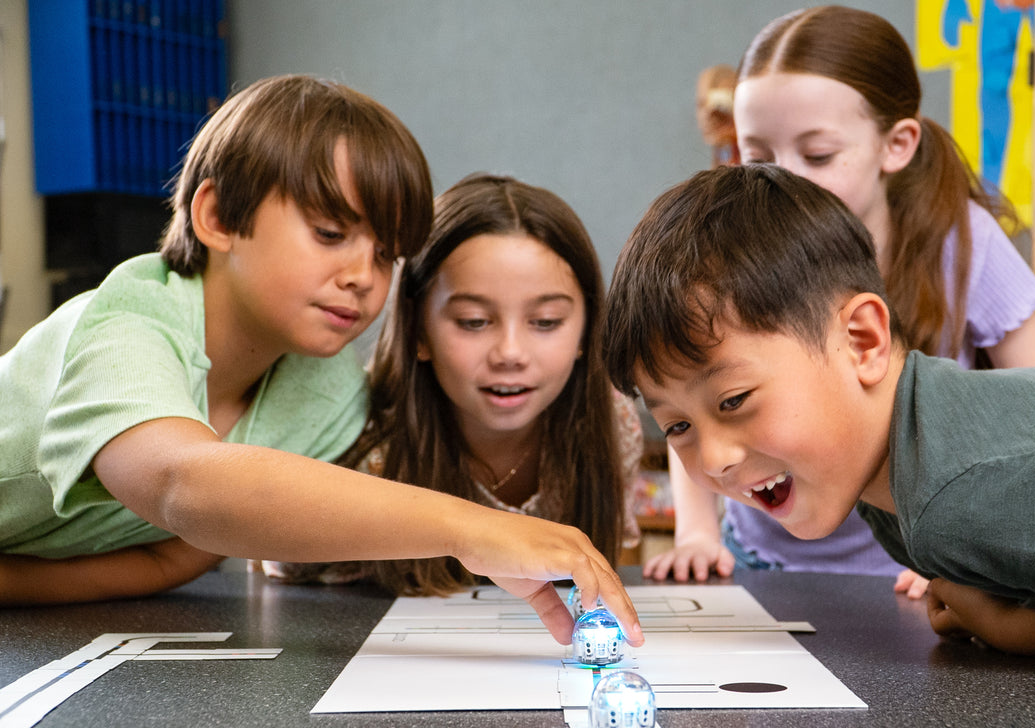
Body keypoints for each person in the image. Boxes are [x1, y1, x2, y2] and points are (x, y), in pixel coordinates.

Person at [0, 75, 643, 648]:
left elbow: (173, 560)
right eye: (330, 234)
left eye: (387, 253)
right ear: (219, 216)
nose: (363, 276)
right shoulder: (128, 323)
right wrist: (470, 527)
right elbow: (181, 483)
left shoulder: (328, 392)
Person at [601, 163, 1035, 679]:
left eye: (733, 400)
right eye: (677, 427)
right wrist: (1020, 622)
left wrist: (1010, 625)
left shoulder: (955, 492)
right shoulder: (890, 487)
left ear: (863, 341)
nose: (713, 459)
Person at [648, 5, 1035, 595]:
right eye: (759, 157)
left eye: (816, 155)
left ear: (896, 145)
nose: (784, 180)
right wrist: (696, 535)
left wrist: (964, 549)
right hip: (763, 562)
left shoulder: (960, 243)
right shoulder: (733, 252)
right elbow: (691, 405)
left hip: (911, 573)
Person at [260, 173, 643, 595]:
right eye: (473, 322)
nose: (510, 353)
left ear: (586, 333)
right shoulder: (357, 435)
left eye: (546, 322)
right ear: (418, 331)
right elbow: (281, 559)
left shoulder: (613, 422)